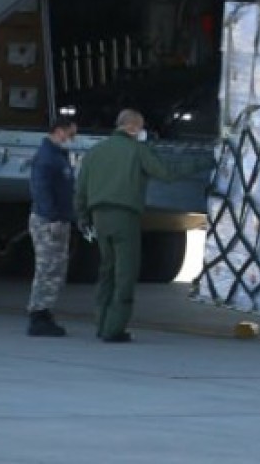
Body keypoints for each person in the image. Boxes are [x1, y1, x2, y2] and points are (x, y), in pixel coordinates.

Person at [74, 109, 202, 343]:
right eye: (141, 128)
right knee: (125, 273)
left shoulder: (94, 152)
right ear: (133, 128)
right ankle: (114, 329)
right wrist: (203, 162)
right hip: (124, 217)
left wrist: (83, 219)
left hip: (100, 218)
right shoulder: (137, 150)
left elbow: (80, 190)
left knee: (106, 271)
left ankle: (101, 323)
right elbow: (165, 174)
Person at [26, 117, 78, 337]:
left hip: (57, 218)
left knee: (56, 269)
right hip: (49, 221)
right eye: (71, 134)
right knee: (47, 269)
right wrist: (52, 218)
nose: (72, 139)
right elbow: (42, 189)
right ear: (59, 132)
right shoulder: (47, 158)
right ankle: (38, 315)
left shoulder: (57, 156)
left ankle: (44, 312)